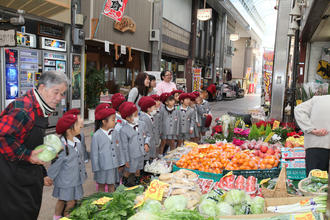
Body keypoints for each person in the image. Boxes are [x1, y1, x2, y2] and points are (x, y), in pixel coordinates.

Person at [0, 70, 68, 220]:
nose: (59, 98)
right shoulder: (24, 108)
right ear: (42, 88)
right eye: (56, 92)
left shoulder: (40, 108)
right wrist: (28, 155)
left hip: (27, 178)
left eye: (62, 94)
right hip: (13, 183)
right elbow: (3, 136)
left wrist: (45, 156)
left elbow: (25, 139)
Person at [48, 112, 87, 219]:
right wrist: (49, 177)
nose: (80, 126)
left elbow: (81, 160)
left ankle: (60, 216)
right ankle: (59, 217)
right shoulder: (62, 146)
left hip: (75, 179)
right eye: (77, 125)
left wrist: (83, 173)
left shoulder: (77, 141)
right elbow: (56, 164)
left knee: (68, 200)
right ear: (69, 131)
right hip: (66, 181)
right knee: (69, 202)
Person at [91, 104, 125, 193]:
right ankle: (101, 202)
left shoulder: (115, 133)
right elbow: (94, 154)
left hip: (113, 165)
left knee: (111, 184)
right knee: (101, 185)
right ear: (104, 121)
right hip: (102, 167)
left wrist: (121, 163)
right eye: (113, 120)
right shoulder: (96, 135)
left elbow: (119, 148)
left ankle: (111, 202)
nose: (115, 121)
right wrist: (96, 168)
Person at [294, 95, 330, 175]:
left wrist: (311, 129)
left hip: (316, 145)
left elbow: (298, 110)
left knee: (314, 181)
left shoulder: (318, 99)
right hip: (318, 145)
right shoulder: (318, 99)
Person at [119, 102, 150, 186]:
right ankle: (123, 184)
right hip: (131, 155)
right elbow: (124, 147)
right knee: (128, 171)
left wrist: (146, 143)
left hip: (141, 153)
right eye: (135, 115)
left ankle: (137, 184)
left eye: (137, 114)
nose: (137, 117)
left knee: (138, 169)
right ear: (128, 118)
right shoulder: (124, 130)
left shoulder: (142, 124)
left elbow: (148, 135)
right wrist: (126, 159)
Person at [138, 96, 157, 160]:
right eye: (154, 107)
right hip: (147, 144)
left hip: (152, 143)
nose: (155, 108)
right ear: (148, 109)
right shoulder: (143, 119)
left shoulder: (151, 117)